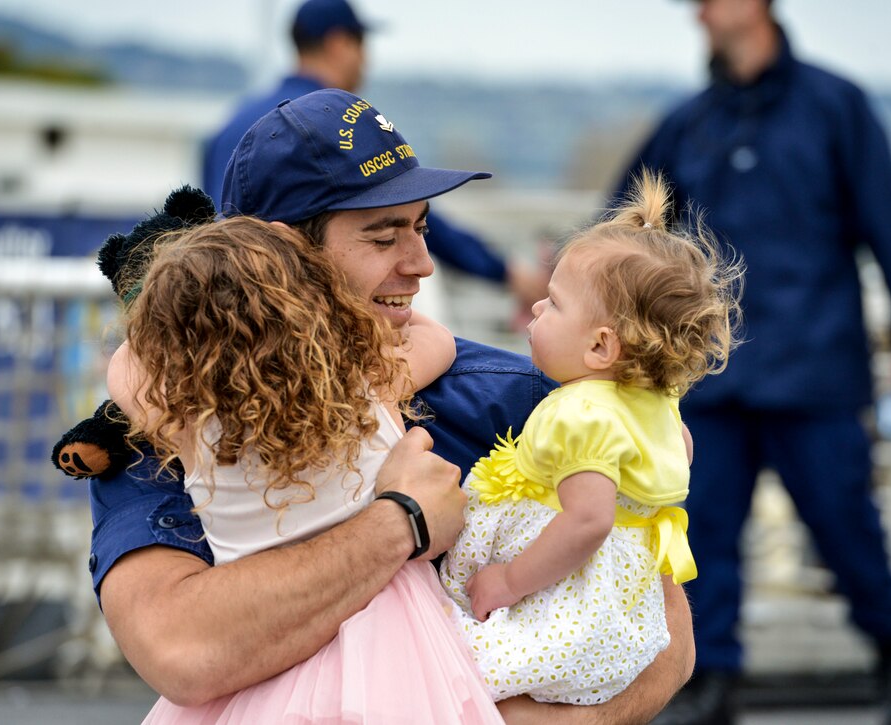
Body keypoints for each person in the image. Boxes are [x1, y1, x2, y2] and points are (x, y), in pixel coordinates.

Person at [90, 87, 695, 723]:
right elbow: (181, 650)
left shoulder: (519, 395)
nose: (423, 264)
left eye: (422, 227)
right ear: (285, 253)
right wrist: (399, 521)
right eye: (384, 237)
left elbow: (665, 631)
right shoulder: (154, 429)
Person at [608, 1, 891, 724]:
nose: (699, 12)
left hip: (815, 372)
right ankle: (710, 685)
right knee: (703, 535)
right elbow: (627, 228)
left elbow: (890, 220)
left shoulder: (834, 107)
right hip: (710, 379)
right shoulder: (689, 122)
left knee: (845, 526)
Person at [107, 215, 503, 722]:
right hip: (390, 638)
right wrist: (348, 313)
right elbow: (439, 339)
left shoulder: (183, 420)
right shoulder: (368, 388)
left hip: (259, 654)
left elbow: (127, 364)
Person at [441, 169, 741, 706]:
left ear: (601, 348)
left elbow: (589, 519)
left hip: (560, 597)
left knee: (447, 666)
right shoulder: (659, 406)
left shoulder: (583, 415)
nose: (536, 308)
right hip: (623, 602)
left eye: (553, 304)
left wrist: (508, 581)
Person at [201, 0, 549, 316]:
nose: (366, 60)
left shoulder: (229, 125)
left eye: (421, 229)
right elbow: (396, 211)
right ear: (339, 44)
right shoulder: (332, 127)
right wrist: (501, 270)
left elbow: (212, 223)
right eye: (362, 46)